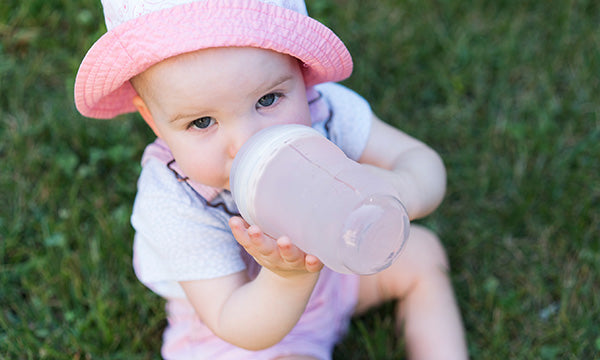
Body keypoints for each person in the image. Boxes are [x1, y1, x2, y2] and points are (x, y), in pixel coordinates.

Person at [74, 0, 468, 359]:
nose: (247, 141)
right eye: (202, 122)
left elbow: (417, 160)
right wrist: (286, 277)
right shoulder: (176, 197)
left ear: (300, 72)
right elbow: (234, 320)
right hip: (244, 331)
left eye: (267, 100)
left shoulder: (325, 109)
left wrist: (401, 188)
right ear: (153, 120)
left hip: (333, 279)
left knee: (422, 253)